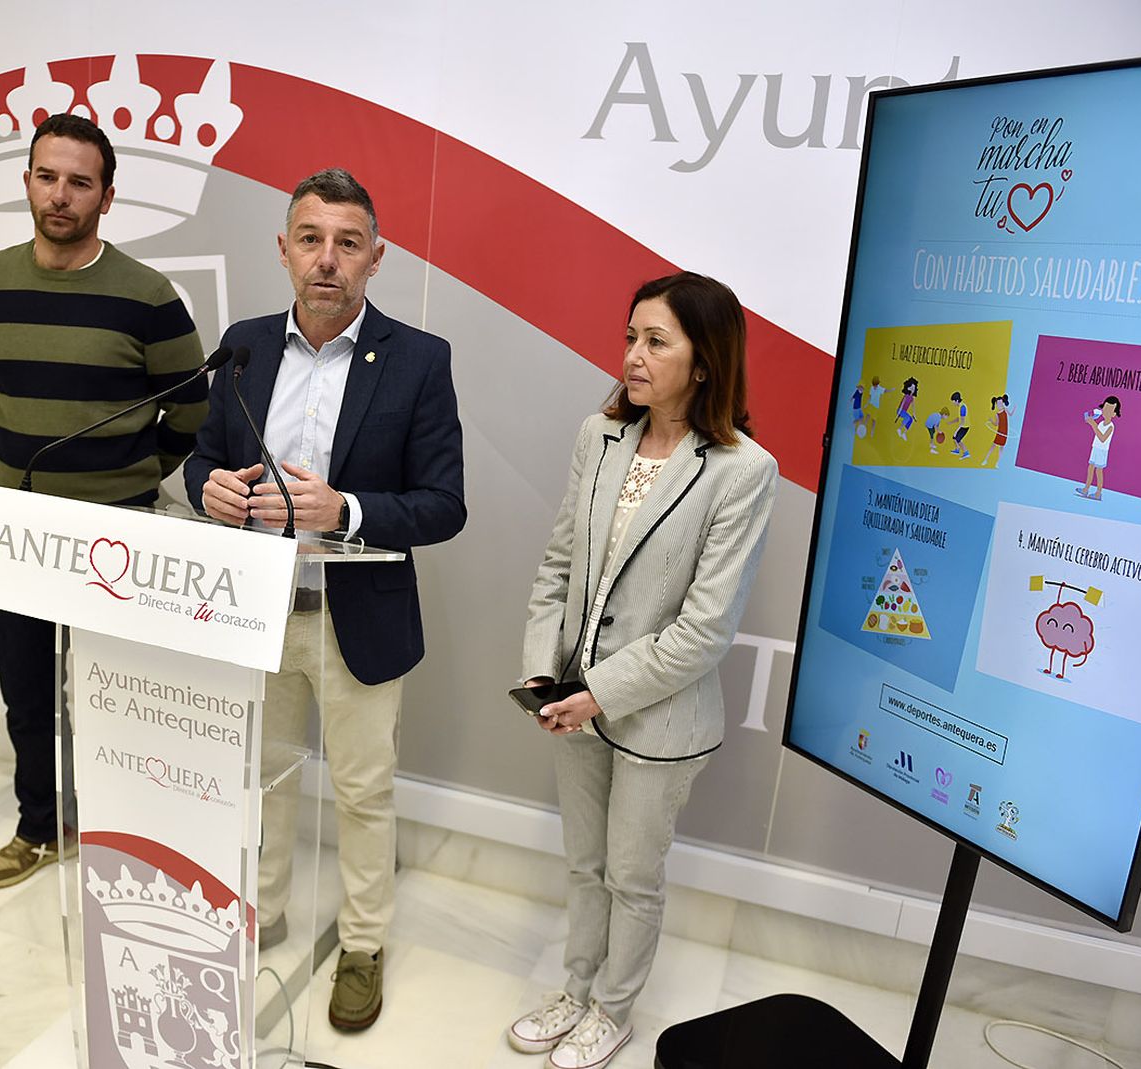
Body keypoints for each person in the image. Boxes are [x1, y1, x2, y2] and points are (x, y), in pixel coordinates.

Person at [185, 168, 466, 1032]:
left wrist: (344, 510)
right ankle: (262, 915)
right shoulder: (244, 344)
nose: (328, 259)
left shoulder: (419, 359)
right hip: (255, 609)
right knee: (263, 782)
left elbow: (445, 504)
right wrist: (209, 493)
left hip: (358, 619)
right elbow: (201, 457)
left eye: (348, 243)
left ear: (376, 258)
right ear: (283, 249)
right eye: (311, 238)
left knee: (361, 791)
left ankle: (363, 944)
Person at [511, 273, 776, 1069]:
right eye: (631, 336)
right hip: (573, 700)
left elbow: (704, 630)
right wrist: (541, 677)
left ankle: (614, 1010)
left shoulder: (741, 470)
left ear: (704, 361)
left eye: (656, 341)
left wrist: (597, 695)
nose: (633, 354)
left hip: (656, 717)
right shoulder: (599, 436)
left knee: (632, 872)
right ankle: (576, 987)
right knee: (584, 863)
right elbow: (557, 566)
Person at [0, 113, 209, 888]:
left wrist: (124, 479)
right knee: (27, 694)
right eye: (46, 176)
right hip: (20, 528)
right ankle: (42, 827)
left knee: (119, 698)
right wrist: (37, 467)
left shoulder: (148, 296)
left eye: (79, 181)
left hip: (118, 533)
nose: (59, 195)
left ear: (106, 197)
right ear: (26, 181)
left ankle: (125, 838)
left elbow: (192, 412)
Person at [1077, 395, 1119, 501]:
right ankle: (1086, 489)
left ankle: (1098, 493)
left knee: (1098, 471)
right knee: (1091, 468)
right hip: (1095, 448)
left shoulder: (1111, 426)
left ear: (1114, 414)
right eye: (1105, 408)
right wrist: (1093, 423)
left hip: (1102, 451)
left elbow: (1102, 438)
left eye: (1109, 410)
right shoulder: (1100, 423)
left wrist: (1093, 425)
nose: (1105, 411)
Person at [982, 393, 1010, 467]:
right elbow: (996, 424)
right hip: (1000, 431)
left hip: (1005, 432)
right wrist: (991, 421)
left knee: (1001, 447)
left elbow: (1010, 414)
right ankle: (986, 460)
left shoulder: (1005, 410)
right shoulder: (997, 414)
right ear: (996, 404)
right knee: (993, 446)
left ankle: (997, 463)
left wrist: (1014, 408)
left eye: (1001, 403)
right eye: (998, 404)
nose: (999, 405)